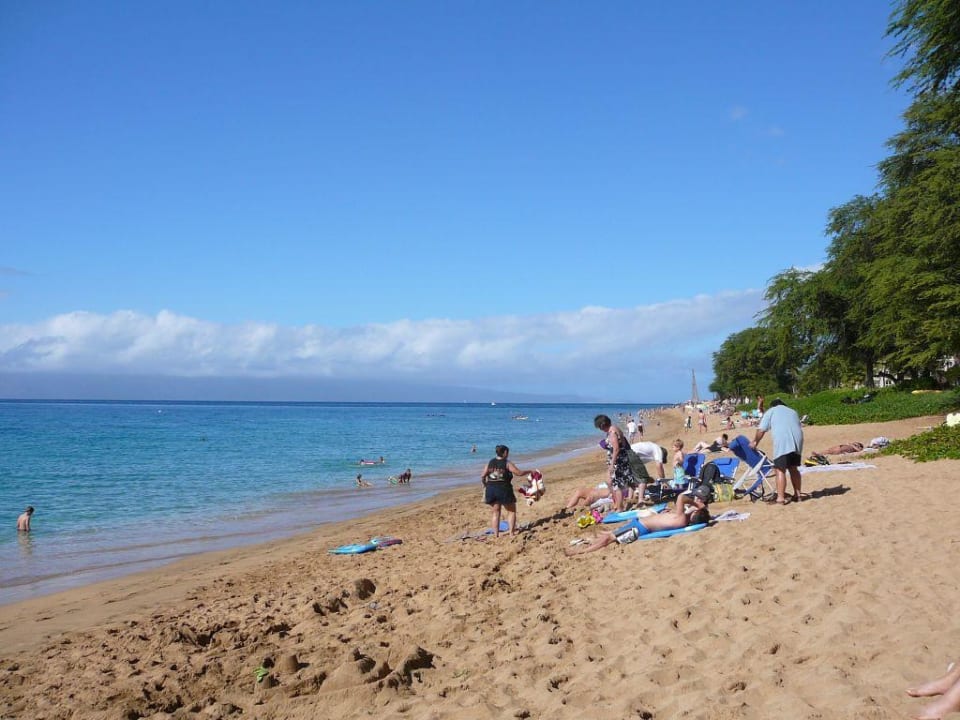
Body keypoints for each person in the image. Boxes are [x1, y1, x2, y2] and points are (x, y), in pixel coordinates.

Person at [565, 486, 711, 556]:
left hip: (639, 529)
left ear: (695, 515)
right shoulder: (682, 518)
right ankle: (589, 541)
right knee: (609, 535)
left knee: (608, 539)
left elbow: (681, 498)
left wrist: (697, 505)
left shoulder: (681, 518)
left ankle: (581, 552)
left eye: (695, 511)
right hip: (640, 524)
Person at [751, 398, 804, 505]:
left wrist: (755, 441)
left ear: (772, 406)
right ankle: (798, 495)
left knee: (780, 469)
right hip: (798, 440)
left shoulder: (771, 411)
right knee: (793, 468)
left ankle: (780, 498)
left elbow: (761, 430)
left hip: (783, 440)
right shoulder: (792, 411)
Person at [481, 444, 531, 538]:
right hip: (504, 489)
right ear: (505, 453)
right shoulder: (507, 463)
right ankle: (511, 534)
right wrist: (529, 471)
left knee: (496, 513)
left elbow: (483, 475)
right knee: (511, 511)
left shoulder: (490, 462)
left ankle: (496, 535)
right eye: (507, 453)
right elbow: (518, 473)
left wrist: (485, 485)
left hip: (491, 489)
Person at [594, 415, 637, 511]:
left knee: (617, 486)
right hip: (622, 459)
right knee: (610, 482)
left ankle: (620, 508)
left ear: (602, 425)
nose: (600, 429)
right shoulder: (615, 428)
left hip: (618, 462)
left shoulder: (612, 433)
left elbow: (616, 449)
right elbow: (624, 443)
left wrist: (612, 464)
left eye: (599, 427)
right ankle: (618, 503)